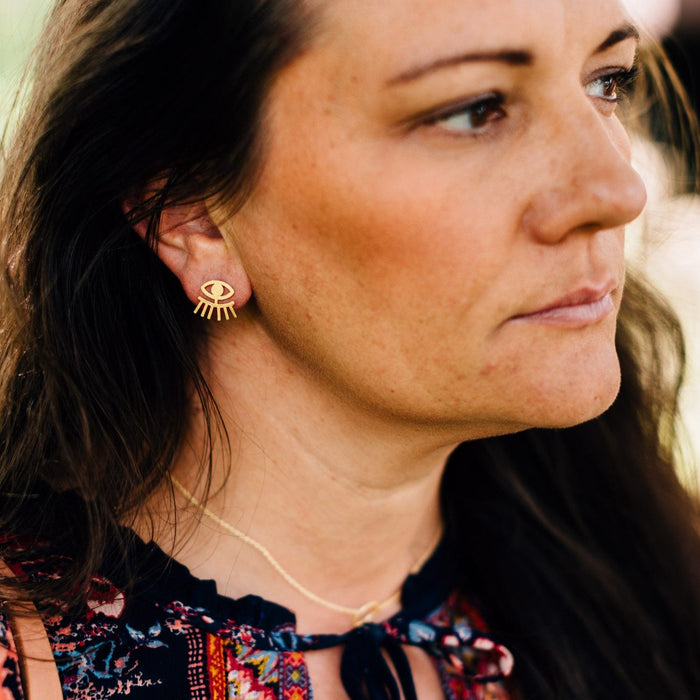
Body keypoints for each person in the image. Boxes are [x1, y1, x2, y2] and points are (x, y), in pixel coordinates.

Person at [0, 0, 699, 698]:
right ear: (195, 218)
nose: (620, 190)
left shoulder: (646, 579)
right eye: (474, 110)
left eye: (606, 82)